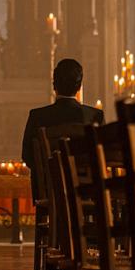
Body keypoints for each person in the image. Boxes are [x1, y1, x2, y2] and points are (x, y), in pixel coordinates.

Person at [20, 58, 104, 199]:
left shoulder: (37, 116)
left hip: (48, 191)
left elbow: (27, 156)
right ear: (79, 87)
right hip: (87, 190)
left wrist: (49, 174)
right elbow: (102, 155)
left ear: (54, 85)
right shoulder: (95, 116)